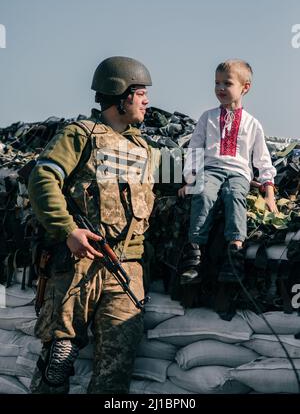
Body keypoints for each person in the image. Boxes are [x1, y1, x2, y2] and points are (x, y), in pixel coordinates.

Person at [27, 56, 155, 394]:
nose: (146, 101)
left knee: (116, 371)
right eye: (140, 93)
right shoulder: (79, 135)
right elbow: (42, 179)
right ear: (121, 94)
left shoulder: (143, 148)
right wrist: (68, 231)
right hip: (78, 265)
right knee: (58, 364)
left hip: (126, 269)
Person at [178, 59, 277, 284]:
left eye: (227, 83)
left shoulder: (253, 124)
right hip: (211, 169)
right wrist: (190, 180)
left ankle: (235, 255)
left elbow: (262, 159)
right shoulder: (207, 117)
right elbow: (195, 149)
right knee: (203, 195)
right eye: (217, 83)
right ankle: (194, 257)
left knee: (235, 197)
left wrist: (269, 192)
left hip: (239, 174)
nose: (220, 88)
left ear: (245, 87)